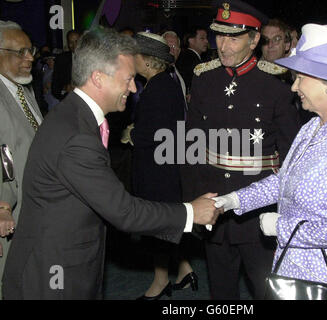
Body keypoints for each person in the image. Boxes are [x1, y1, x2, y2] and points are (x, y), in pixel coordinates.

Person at [2, 28, 220, 300]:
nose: (133, 87)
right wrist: (191, 213)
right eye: (128, 79)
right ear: (98, 78)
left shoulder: (74, 114)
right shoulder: (76, 136)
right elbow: (124, 211)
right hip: (52, 274)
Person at [215, 23, 327, 300]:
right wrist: (234, 200)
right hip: (301, 276)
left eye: (300, 78)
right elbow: (284, 180)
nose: (294, 87)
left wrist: (281, 226)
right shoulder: (313, 125)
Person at [181, 0, 300, 300]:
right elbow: (191, 146)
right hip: (213, 206)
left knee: (265, 289)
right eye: (219, 35)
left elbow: (290, 154)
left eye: (233, 37)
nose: (223, 45)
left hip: (258, 212)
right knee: (221, 292)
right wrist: (192, 199)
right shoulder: (204, 78)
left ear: (254, 39)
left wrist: (287, 211)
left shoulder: (275, 83)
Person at [128, 32, 195, 300]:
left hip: (158, 170)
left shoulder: (157, 88)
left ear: (146, 60)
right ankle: (186, 270)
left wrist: (131, 134)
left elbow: (155, 133)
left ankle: (160, 281)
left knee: (158, 227)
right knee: (168, 224)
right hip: (166, 166)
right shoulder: (166, 83)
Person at [0, 20, 43, 299]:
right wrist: (2, 205)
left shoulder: (23, 90)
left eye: (31, 50)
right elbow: (2, 154)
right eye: (20, 52)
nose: (30, 58)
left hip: (31, 210)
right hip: (8, 214)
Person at [175, 26, 209, 92]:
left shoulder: (185, 56)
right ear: (191, 40)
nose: (206, 41)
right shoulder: (191, 60)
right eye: (202, 38)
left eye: (206, 38)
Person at [51, 29, 80, 101]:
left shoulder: (92, 58)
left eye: (76, 41)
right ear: (68, 43)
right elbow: (55, 87)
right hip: (68, 101)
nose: (74, 45)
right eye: (71, 42)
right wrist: (65, 88)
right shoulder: (61, 59)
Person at [162, 31, 188, 104]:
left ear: (179, 51)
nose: (171, 50)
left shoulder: (180, 73)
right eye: (168, 47)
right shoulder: (157, 74)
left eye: (174, 46)